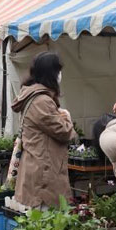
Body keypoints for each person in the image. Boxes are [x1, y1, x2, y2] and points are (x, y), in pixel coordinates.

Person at [11, 52, 76, 209]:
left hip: (37, 165)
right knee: (46, 224)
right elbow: (64, 132)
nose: (60, 75)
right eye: (58, 70)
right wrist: (66, 117)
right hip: (43, 171)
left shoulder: (34, 96)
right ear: (51, 73)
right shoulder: (41, 101)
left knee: (41, 223)